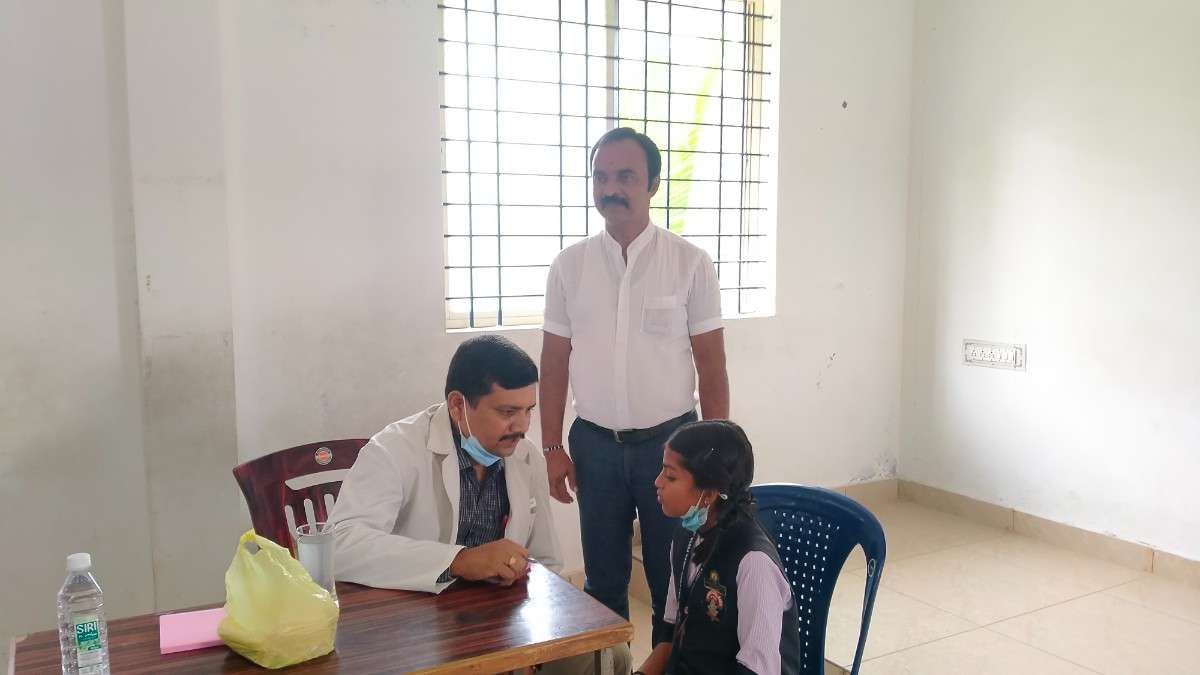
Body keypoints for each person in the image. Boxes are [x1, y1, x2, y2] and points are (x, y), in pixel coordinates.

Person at [329, 334, 629, 675]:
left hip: (502, 625)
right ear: (458, 405)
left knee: (611, 656)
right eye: (507, 412)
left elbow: (546, 563)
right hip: (416, 628)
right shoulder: (394, 450)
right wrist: (458, 561)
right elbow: (340, 544)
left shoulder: (525, 457)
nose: (522, 426)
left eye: (528, 411)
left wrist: (534, 644)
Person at [540, 127, 731, 640]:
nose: (611, 189)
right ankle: (609, 665)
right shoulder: (569, 267)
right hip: (594, 449)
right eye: (601, 177)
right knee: (603, 580)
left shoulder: (689, 264)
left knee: (673, 580)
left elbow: (712, 367)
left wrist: (716, 460)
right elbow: (554, 363)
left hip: (672, 449)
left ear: (653, 185)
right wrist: (552, 447)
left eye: (625, 176)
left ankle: (668, 666)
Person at [636, 420, 799, 675]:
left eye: (670, 476)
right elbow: (670, 633)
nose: (658, 482)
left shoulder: (753, 563)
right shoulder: (686, 536)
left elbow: (757, 670)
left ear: (709, 494)